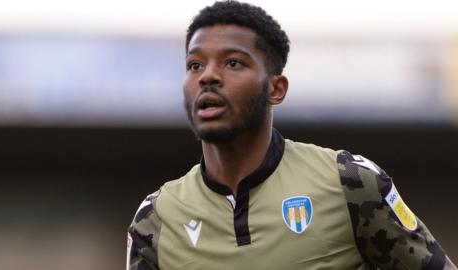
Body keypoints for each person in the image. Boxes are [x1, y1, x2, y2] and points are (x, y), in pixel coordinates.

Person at [126, 1, 457, 269]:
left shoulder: (348, 182)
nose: (208, 76)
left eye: (233, 63)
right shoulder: (157, 218)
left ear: (276, 89)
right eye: (194, 65)